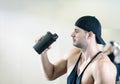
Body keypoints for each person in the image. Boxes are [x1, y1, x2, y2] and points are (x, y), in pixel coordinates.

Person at [36, 16, 117, 84]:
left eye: (76, 31)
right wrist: (43, 52)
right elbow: (51, 74)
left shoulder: (103, 66)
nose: (71, 34)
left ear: (89, 35)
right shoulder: (73, 54)